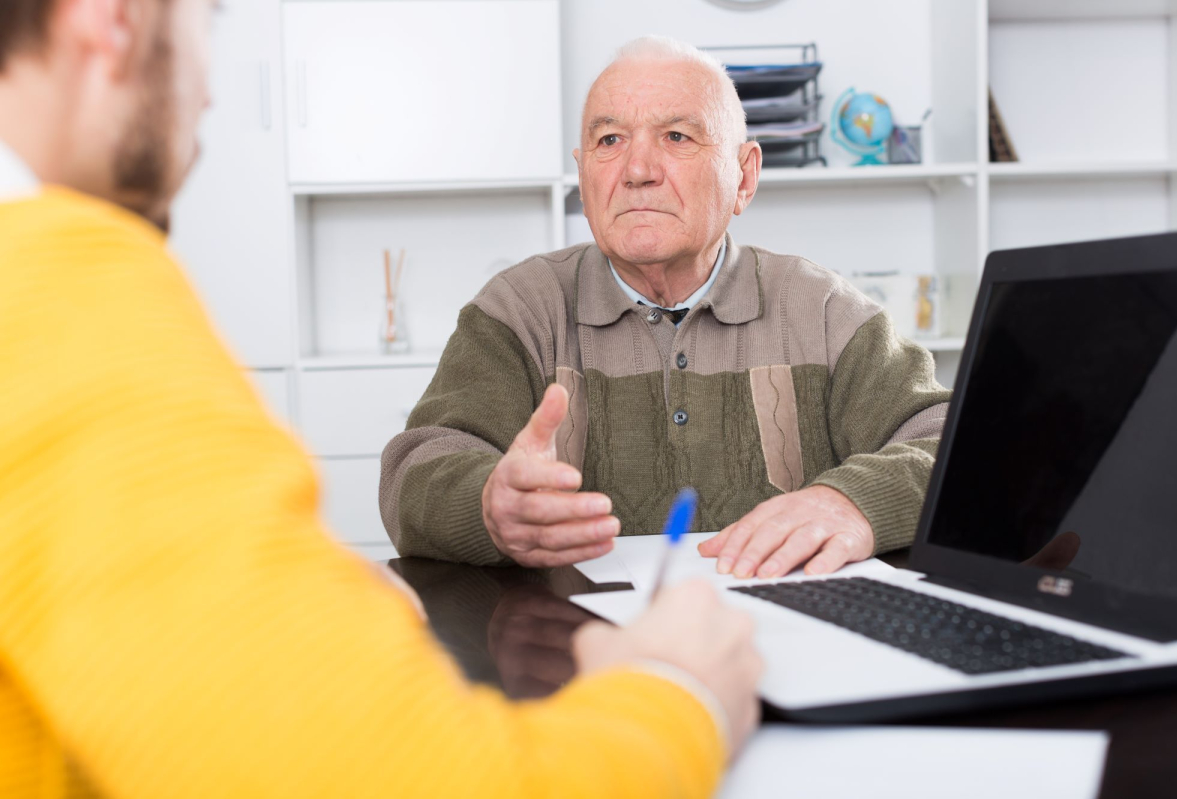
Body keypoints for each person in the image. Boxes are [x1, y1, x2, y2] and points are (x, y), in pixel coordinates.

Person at [0, 1, 763, 795]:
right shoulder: (62, 301)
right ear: (110, 18)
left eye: (677, 136)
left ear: (743, 175)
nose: (214, 91)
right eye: (208, 17)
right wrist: (681, 689)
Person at [381, 35, 952, 580]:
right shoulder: (519, 311)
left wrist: (854, 502)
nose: (637, 170)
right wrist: (490, 505)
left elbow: (954, 444)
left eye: (677, 136)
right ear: (583, 177)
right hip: (577, 649)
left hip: (782, 645)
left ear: (744, 177)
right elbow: (416, 466)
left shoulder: (826, 312)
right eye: (610, 141)